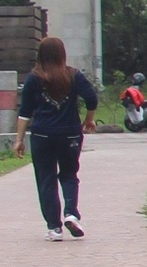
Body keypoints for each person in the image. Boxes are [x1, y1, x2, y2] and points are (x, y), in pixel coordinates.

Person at [12, 37, 100, 240]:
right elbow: (92, 99)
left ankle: (54, 228)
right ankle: (71, 214)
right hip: (70, 134)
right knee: (69, 174)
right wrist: (89, 120)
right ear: (63, 54)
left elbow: (25, 112)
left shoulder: (35, 78)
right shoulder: (74, 76)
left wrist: (19, 139)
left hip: (42, 135)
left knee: (46, 179)